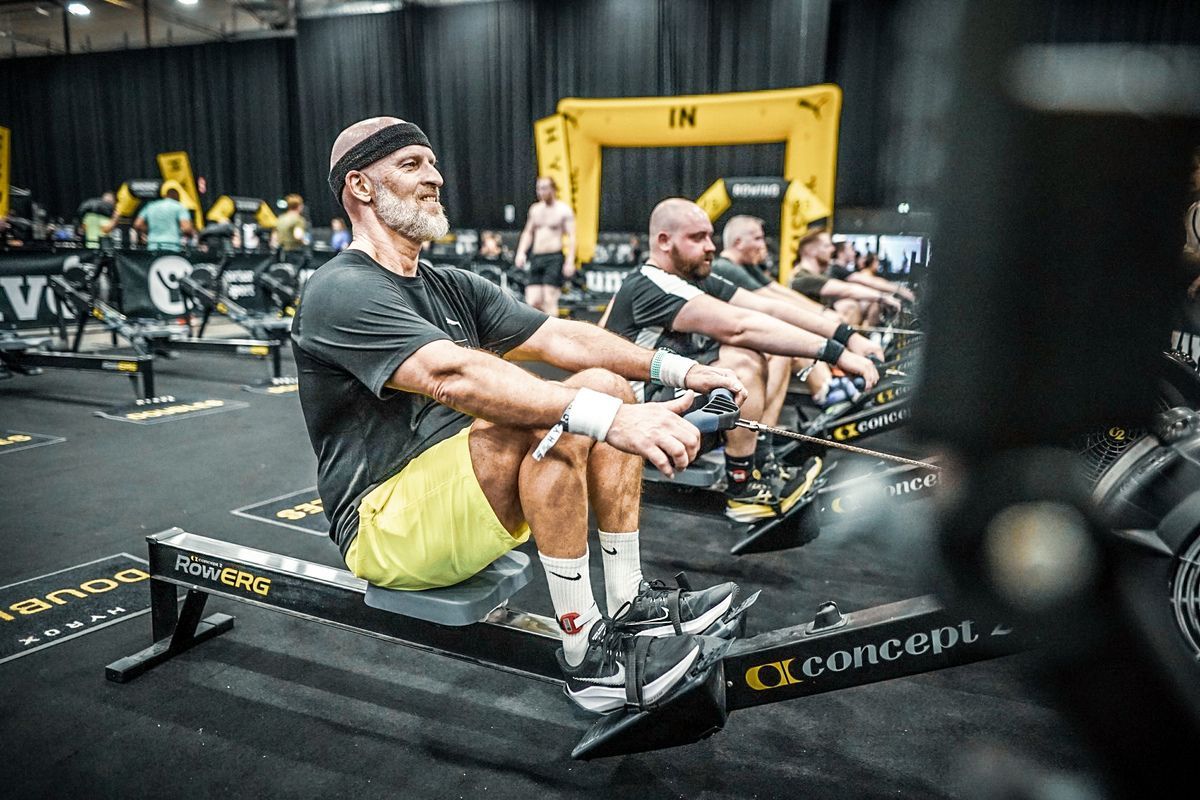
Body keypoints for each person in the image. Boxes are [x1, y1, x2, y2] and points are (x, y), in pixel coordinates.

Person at [293, 117, 749, 714]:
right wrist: (609, 420)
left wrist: (676, 371)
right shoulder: (339, 289)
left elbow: (562, 338)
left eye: (432, 165)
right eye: (410, 166)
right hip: (383, 525)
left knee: (606, 384)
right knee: (554, 415)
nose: (434, 178)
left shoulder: (448, 284)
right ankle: (587, 660)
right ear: (360, 186)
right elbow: (451, 375)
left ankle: (630, 602)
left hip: (459, 493)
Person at [602, 199, 880, 523]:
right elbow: (739, 327)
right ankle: (743, 488)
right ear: (664, 241)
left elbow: (769, 308)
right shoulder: (652, 284)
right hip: (642, 415)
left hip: (672, 393)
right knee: (743, 361)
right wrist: (837, 354)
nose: (710, 247)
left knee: (766, 352)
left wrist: (847, 337)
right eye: (698, 238)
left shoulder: (695, 277)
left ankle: (758, 457)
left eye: (710, 237)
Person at [710, 215, 885, 415]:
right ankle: (825, 390)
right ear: (738, 242)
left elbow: (777, 291)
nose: (762, 245)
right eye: (757, 239)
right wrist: (826, 318)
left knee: (789, 340)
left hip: (741, 338)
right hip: (724, 346)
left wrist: (824, 314)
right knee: (784, 342)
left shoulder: (745, 266)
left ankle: (827, 387)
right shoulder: (724, 266)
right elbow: (771, 302)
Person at [790, 228, 900, 326]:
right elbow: (847, 290)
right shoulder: (801, 277)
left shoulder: (814, 274)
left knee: (849, 306)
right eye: (827, 246)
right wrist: (883, 297)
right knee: (850, 306)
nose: (833, 249)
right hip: (810, 336)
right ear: (810, 250)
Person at [514, 176, 575, 316]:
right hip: (537, 257)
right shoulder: (535, 209)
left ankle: (553, 334)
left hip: (554, 258)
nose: (540, 192)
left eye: (544, 188)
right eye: (538, 188)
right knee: (532, 301)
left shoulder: (563, 210)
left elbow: (572, 237)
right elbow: (528, 232)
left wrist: (570, 261)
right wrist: (521, 252)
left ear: (553, 189)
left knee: (549, 299)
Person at [133, 181, 194, 252]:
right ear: (177, 193)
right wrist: (190, 234)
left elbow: (137, 224)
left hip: (153, 245)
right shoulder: (179, 207)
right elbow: (187, 228)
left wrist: (149, 231)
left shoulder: (150, 206)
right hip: (172, 246)